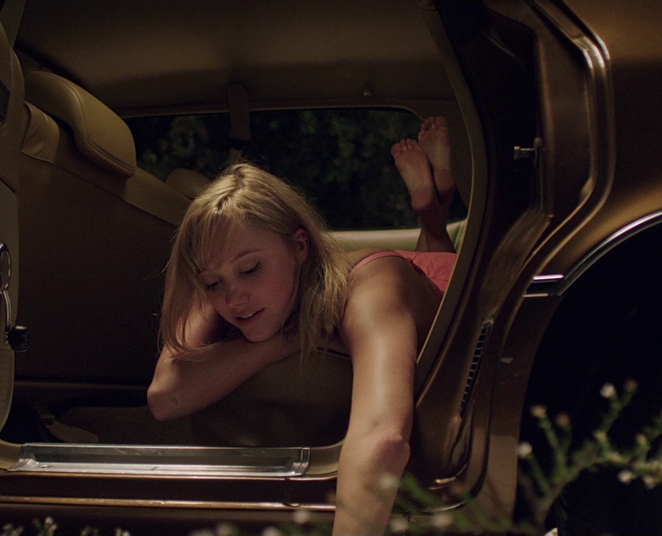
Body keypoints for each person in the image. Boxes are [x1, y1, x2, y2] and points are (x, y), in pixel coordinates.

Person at [147, 117, 458, 535]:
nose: (233, 298)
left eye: (251, 269)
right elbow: (165, 397)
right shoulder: (225, 278)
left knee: (439, 256)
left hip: (434, 287)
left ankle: (432, 213)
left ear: (299, 245)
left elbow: (382, 437)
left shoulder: (371, 287)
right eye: (213, 283)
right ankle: (434, 209)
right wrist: (288, 338)